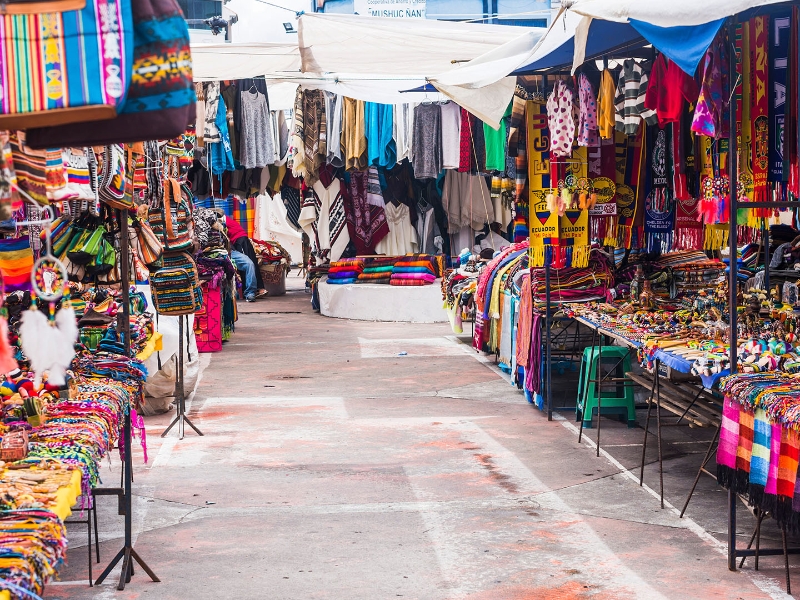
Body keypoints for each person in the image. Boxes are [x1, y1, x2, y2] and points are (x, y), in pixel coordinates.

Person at [225, 215, 267, 302]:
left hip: (237, 243)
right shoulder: (224, 221)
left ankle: (250, 292)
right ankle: (253, 290)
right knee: (251, 263)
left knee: (249, 263)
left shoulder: (222, 221)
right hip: (232, 246)